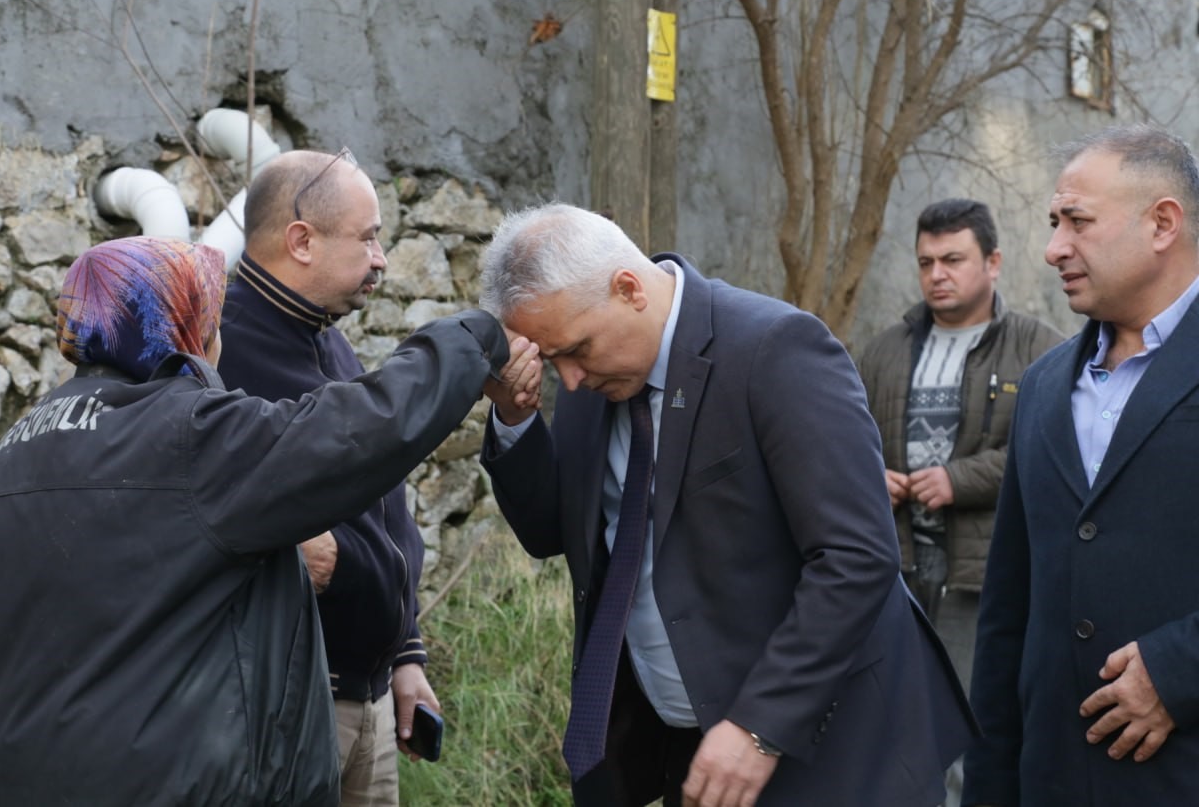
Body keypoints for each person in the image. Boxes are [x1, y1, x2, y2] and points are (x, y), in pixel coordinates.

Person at [0, 236, 509, 806]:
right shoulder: (188, 434)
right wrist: (470, 337)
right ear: (186, 326)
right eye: (212, 317)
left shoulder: (2, 458)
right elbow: (361, 429)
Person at [478, 203, 976, 807]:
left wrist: (760, 725)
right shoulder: (594, 375)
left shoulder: (775, 348)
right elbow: (550, 533)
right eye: (554, 359)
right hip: (689, 751)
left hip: (831, 748)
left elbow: (857, 556)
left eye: (576, 351)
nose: (571, 379)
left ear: (629, 288)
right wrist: (513, 419)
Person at [963, 125, 1199, 806]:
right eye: (1052, 222)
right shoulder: (1040, 387)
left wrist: (1180, 668)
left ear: (1162, 223)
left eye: (1077, 221)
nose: (1052, 247)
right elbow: (1009, 615)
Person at [215, 147, 449, 806]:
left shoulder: (329, 341)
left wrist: (404, 652)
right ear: (301, 241)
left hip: (368, 702)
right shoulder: (220, 353)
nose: (381, 259)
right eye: (369, 238)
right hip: (285, 707)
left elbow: (385, 505)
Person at [856, 198, 1063, 690]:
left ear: (993, 263)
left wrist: (957, 479)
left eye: (953, 260)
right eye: (926, 262)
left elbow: (1052, 455)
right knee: (894, 713)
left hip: (984, 577)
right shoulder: (883, 351)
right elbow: (842, 444)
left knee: (971, 721)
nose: (936, 275)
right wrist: (866, 478)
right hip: (895, 571)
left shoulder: (1041, 350)